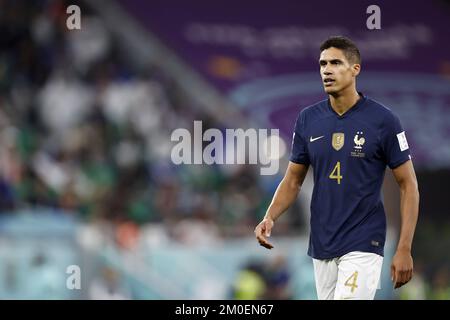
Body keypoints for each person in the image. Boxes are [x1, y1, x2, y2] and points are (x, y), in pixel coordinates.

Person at [254, 36, 420, 300]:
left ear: (355, 69)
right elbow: (293, 180)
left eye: (335, 63)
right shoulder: (308, 119)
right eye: (322, 64)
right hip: (322, 242)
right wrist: (270, 216)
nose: (326, 70)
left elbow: (408, 184)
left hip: (364, 240)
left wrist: (404, 247)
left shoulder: (383, 120)